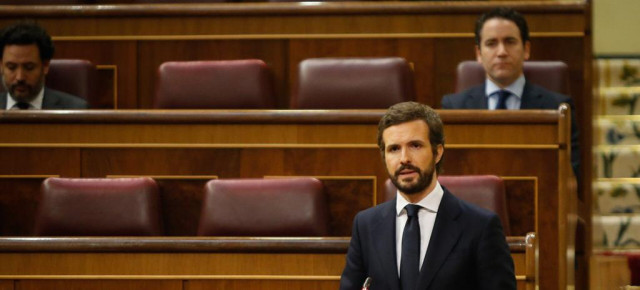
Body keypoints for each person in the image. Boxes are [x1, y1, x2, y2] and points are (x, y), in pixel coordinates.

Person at [340, 102, 515, 290]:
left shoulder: (480, 226)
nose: (404, 158)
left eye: (415, 145)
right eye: (394, 149)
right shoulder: (366, 225)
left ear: (437, 152)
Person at [440, 7, 580, 179]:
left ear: (526, 49)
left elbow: (570, 177)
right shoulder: (454, 108)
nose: (501, 52)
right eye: (492, 43)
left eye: (510, 42)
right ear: (478, 53)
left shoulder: (557, 108)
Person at [0, 21, 88, 110]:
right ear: (1, 66)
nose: (20, 77)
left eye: (29, 67)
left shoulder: (75, 109)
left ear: (45, 66)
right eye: (11, 67)